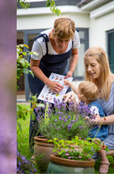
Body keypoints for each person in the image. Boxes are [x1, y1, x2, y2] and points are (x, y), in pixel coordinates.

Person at [64, 46, 114, 170]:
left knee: (85, 154)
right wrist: (73, 95)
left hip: (112, 134)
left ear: (102, 64)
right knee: (68, 149)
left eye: (93, 65)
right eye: (87, 65)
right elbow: (83, 98)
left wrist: (98, 121)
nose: (89, 69)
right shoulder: (91, 83)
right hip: (91, 133)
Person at [28, 17, 80, 152]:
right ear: (53, 33)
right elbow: (33, 66)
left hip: (59, 71)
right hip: (39, 72)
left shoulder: (74, 36)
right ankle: (35, 147)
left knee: (61, 104)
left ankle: (58, 143)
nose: (63, 45)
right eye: (59, 40)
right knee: (38, 108)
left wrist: (71, 70)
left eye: (66, 41)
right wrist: (48, 82)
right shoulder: (41, 42)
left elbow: (75, 53)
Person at [64, 80, 110, 173]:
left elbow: (97, 119)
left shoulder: (93, 107)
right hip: (87, 128)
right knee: (82, 141)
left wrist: (89, 120)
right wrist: (69, 84)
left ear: (83, 97)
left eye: (78, 93)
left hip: (96, 129)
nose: (77, 93)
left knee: (96, 141)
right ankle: (84, 158)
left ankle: (104, 160)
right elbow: (77, 92)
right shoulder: (84, 102)